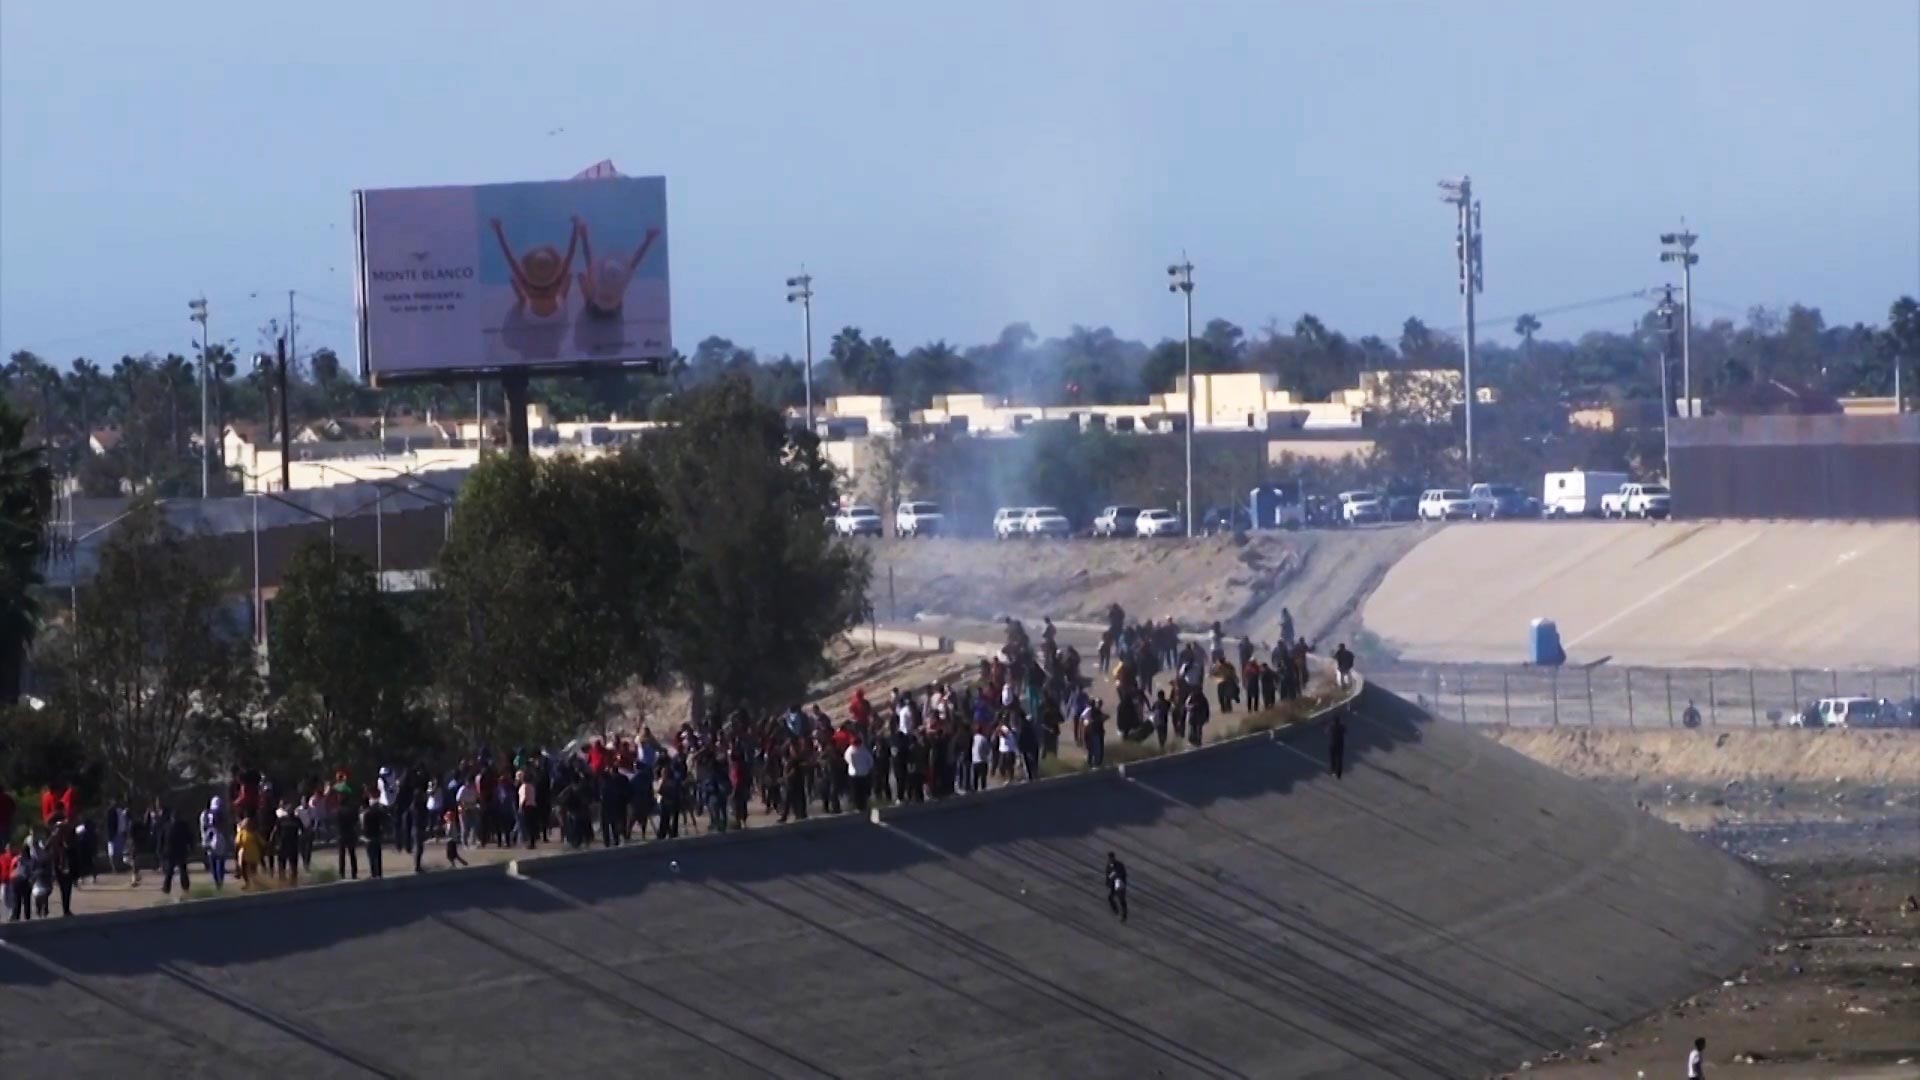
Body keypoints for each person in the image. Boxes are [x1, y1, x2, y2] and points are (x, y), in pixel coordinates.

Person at [161, 809, 194, 897]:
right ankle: (184, 887)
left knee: (171, 871)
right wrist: (191, 847)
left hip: (171, 851)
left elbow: (161, 839)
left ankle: (167, 888)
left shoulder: (167, 826)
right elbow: (190, 837)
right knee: (180, 870)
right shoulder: (183, 825)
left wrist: (160, 850)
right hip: (179, 850)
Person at [1105, 852, 1129, 923]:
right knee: (1110, 898)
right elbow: (1108, 874)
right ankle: (1116, 910)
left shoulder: (1119, 865)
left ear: (1113, 857)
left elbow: (1122, 874)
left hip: (1119, 883)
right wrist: (1107, 882)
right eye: (1109, 858)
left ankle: (1124, 915)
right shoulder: (1109, 865)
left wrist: (1114, 876)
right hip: (1113, 883)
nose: (1110, 859)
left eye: (1111, 858)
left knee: (1121, 900)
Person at [1328, 711, 1348, 780]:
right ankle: (1339, 774)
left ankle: (1333, 771)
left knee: (1333, 759)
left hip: (1332, 744)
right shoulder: (1342, 726)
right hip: (1340, 745)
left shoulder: (1331, 726)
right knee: (1339, 759)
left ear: (1334, 721)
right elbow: (1345, 731)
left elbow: (1326, 731)